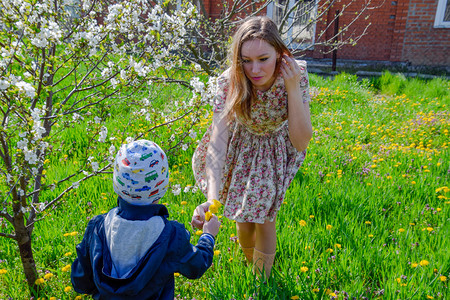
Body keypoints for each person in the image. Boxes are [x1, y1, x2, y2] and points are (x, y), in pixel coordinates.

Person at [191, 16, 312, 278]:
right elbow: (218, 140)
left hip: (273, 148)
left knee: (265, 219)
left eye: (263, 59)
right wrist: (211, 199)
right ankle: (250, 268)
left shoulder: (295, 75)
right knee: (242, 220)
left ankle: (263, 281)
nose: (254, 69)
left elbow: (301, 141)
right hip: (240, 146)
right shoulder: (230, 81)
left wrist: (291, 88)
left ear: (279, 53)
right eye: (246, 60)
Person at [71, 140, 221, 299]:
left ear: (117, 182)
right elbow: (197, 266)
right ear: (163, 184)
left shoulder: (98, 227)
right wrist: (208, 236)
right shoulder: (170, 235)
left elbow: (80, 282)